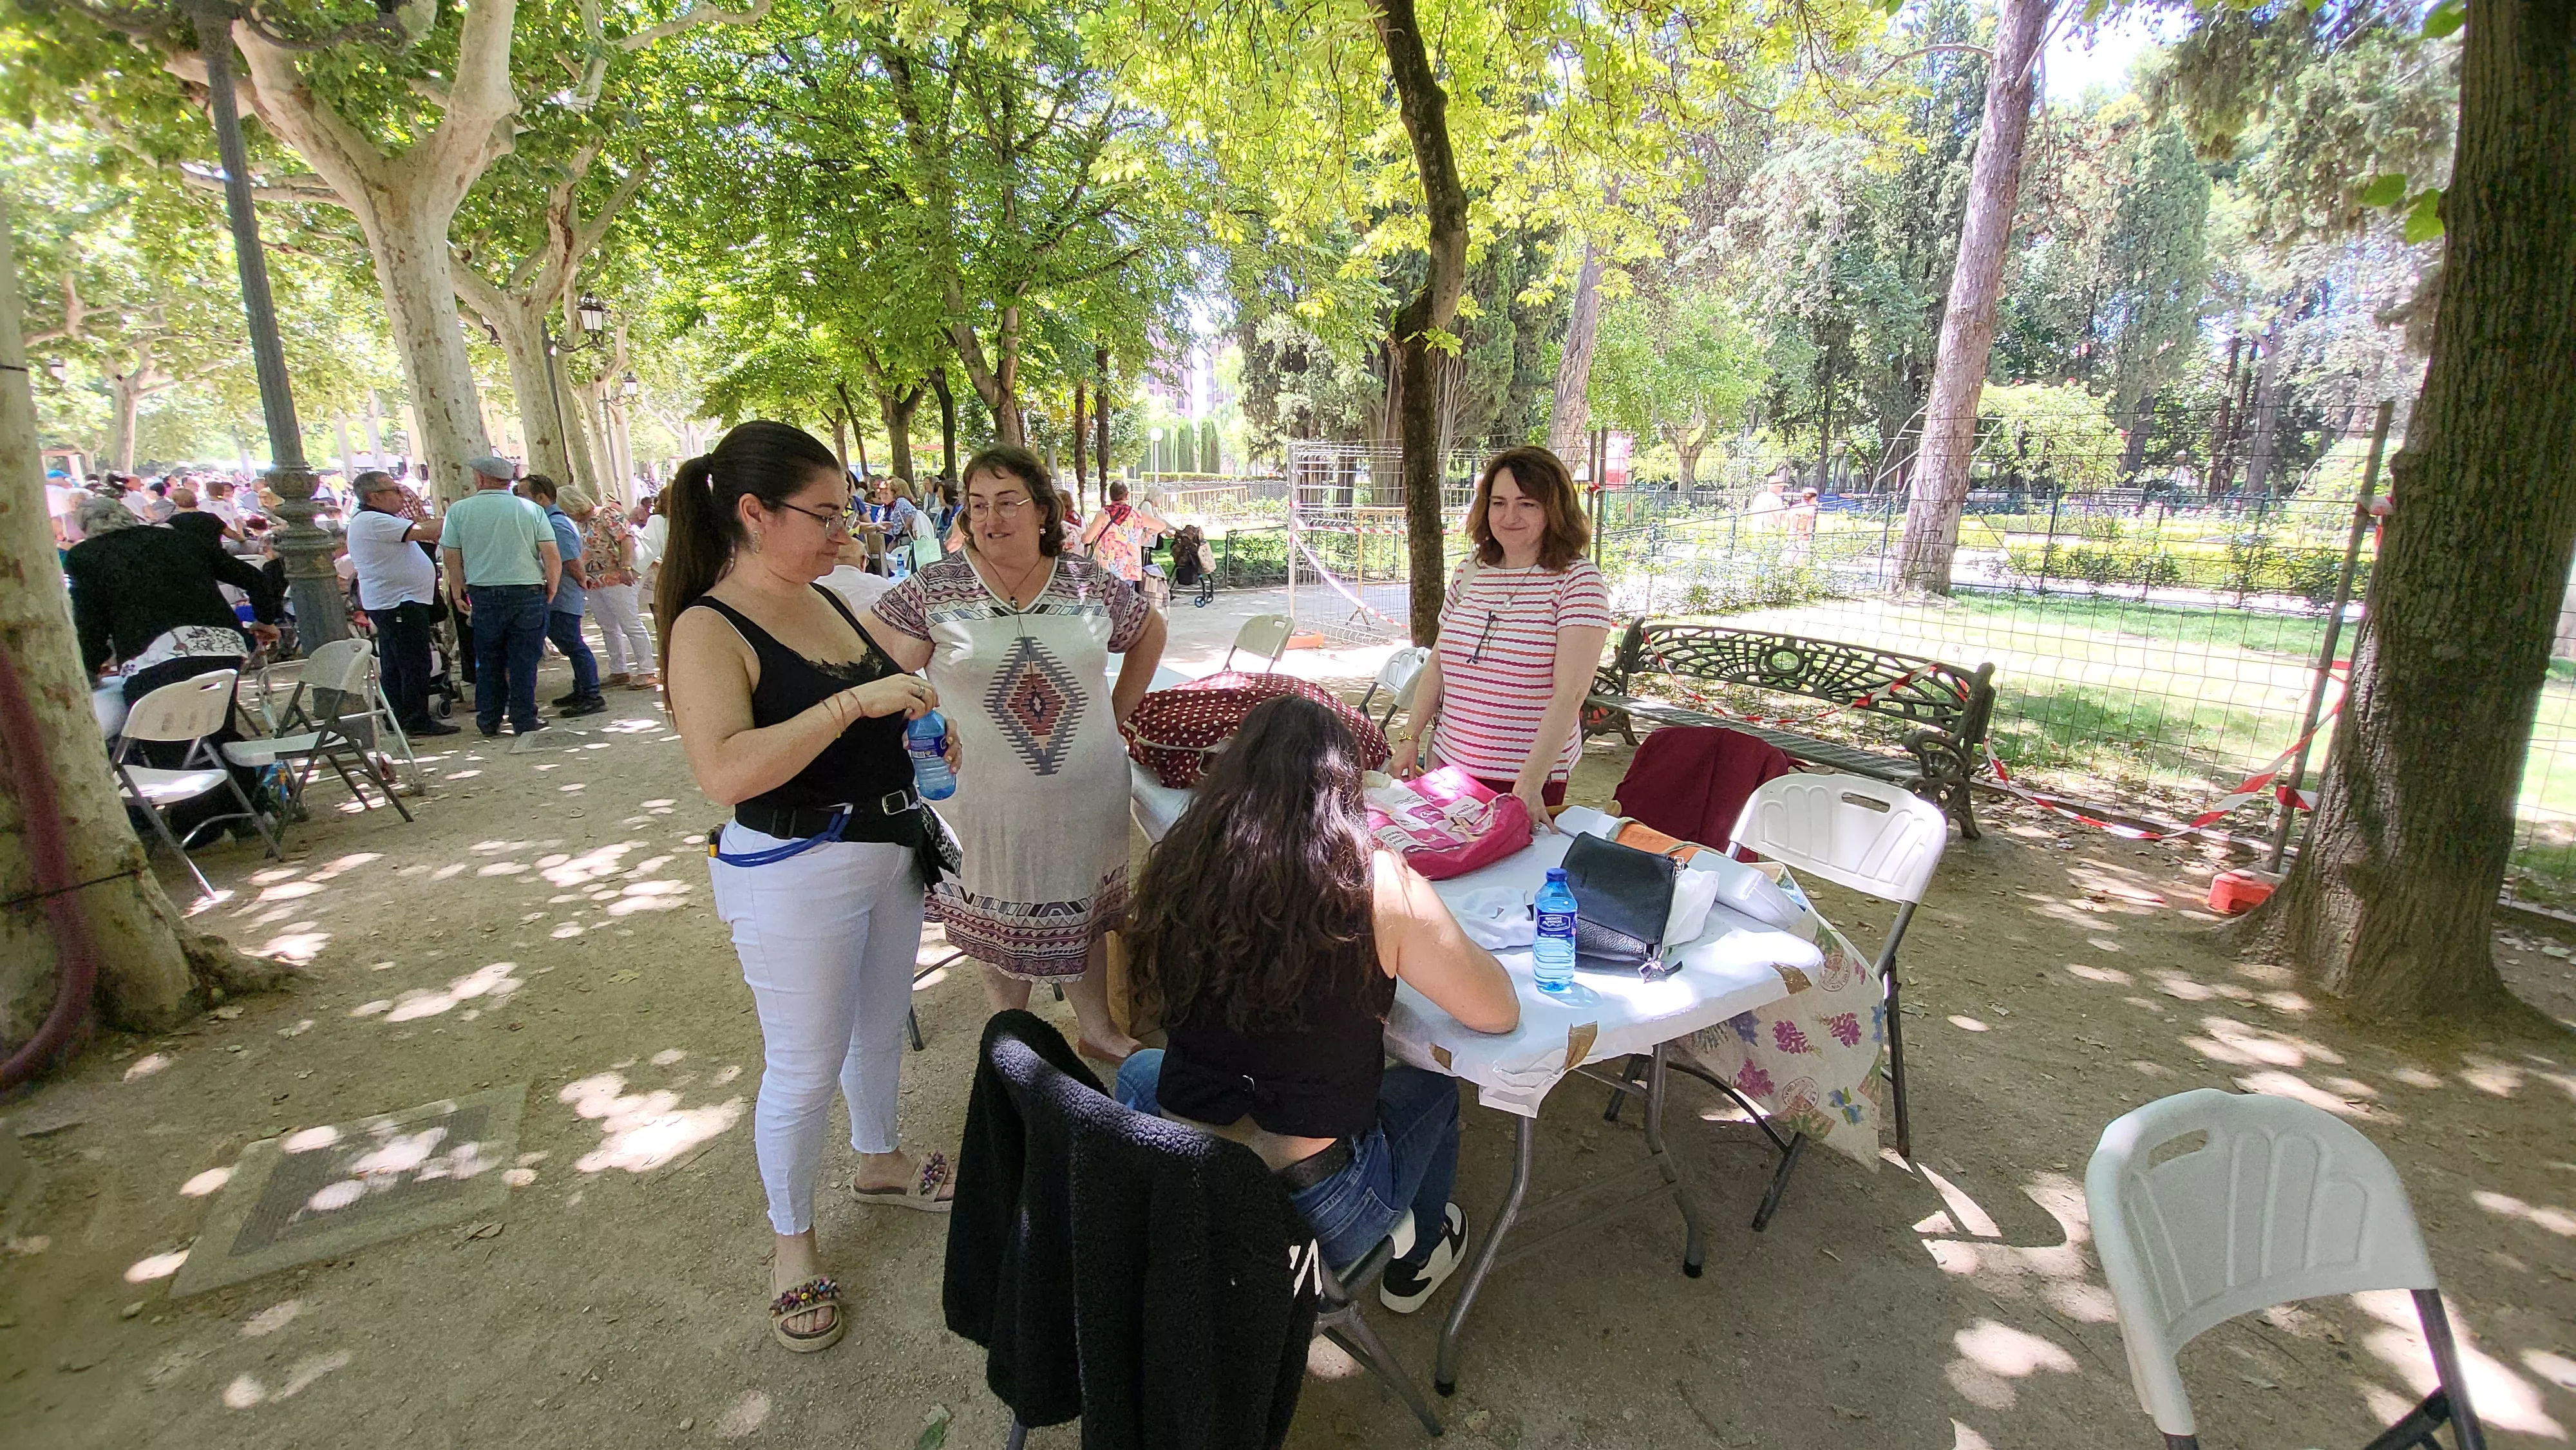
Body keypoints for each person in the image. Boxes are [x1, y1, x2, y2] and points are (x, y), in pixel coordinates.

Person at [657, 419, 963, 1353]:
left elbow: (878, 709)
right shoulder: (707, 627)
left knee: (878, 1030)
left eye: (843, 513)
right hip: (794, 873)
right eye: (823, 516)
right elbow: (726, 772)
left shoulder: (824, 598)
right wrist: (854, 703)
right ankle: (792, 1246)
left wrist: (921, 728)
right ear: (752, 512)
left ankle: (878, 1159)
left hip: (887, 848)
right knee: (802, 1063)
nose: (846, 534)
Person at [1113, 695, 1519, 1312]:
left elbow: (1149, 1006)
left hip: (1188, 1174)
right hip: (1314, 1208)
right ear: (1346, 788)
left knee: (1141, 1070)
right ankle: (1420, 1256)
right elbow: (1497, 1011)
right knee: (1434, 1091)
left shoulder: (1183, 862)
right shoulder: (1378, 881)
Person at [871, 445, 1166, 1062]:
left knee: (1082, 906)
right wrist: (923, 724)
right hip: (982, 796)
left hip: (1088, 789)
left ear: (1044, 511)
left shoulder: (1085, 580)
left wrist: (1113, 716)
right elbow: (889, 682)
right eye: (978, 505)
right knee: (997, 912)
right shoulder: (935, 588)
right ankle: (1014, 1040)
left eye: (1008, 502)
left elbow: (1148, 630)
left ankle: (1099, 1029)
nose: (991, 518)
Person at [1390, 445, 1615, 827]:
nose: (1510, 516)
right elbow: (1439, 663)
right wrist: (1410, 739)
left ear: (1554, 509)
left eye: (1527, 504)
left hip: (1522, 779)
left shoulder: (1578, 581)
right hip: (1448, 769)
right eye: (1498, 503)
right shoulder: (1471, 570)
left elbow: (1571, 693)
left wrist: (1528, 784)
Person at [66, 494, 285, 836]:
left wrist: (89, 666)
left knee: (165, 738)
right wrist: (266, 619)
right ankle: (247, 813)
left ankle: (200, 822)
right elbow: (254, 578)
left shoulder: (85, 557)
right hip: (219, 645)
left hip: (156, 654)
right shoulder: (180, 538)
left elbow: (90, 620)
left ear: (85, 528)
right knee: (216, 730)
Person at [440, 454, 561, 737]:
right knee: (524, 659)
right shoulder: (530, 510)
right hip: (527, 591)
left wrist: (457, 589)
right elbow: (551, 554)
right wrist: (551, 586)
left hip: (484, 593)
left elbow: (451, 557)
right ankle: (524, 718)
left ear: (480, 478)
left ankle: (489, 719)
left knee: (489, 658)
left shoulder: (459, 511)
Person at [346, 469, 457, 737]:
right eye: (394, 490)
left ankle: (398, 714)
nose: (401, 495)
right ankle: (416, 718)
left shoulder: (378, 520)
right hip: (397, 603)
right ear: (374, 497)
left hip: (399, 601)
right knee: (414, 662)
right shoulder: (373, 520)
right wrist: (457, 514)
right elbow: (423, 530)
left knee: (397, 663)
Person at [517, 476, 607, 718]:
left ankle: (591, 693)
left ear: (541, 498)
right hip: (560, 594)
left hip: (564, 595)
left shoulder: (555, 524)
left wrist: (580, 580)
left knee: (573, 644)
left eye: (523, 495)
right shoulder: (547, 521)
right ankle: (582, 689)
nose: (519, 500)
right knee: (569, 642)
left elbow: (569, 560)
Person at [575, 490, 656, 691]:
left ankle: (647, 670)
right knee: (608, 627)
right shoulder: (580, 522)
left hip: (618, 578)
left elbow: (626, 538)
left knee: (631, 624)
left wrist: (626, 567)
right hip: (595, 581)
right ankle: (618, 670)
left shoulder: (606, 514)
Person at [1074, 480, 1173, 589]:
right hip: (1129, 568)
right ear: (1127, 496)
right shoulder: (1136, 515)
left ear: (1111, 496)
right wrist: (1149, 532)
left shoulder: (1103, 514)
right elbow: (1161, 526)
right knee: (1126, 600)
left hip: (1106, 569)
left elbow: (1087, 539)